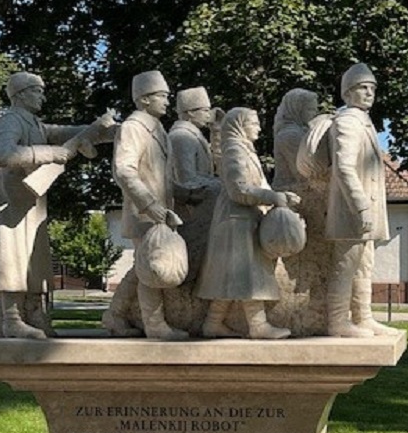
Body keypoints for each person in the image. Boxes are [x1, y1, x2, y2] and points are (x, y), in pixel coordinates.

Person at [0, 71, 112, 339]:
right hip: (12, 201)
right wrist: (52, 153)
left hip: (32, 201)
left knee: (35, 259)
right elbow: (4, 154)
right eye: (37, 90)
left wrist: (106, 130)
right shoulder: (9, 120)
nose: (42, 96)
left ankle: (34, 313)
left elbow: (70, 132)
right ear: (20, 94)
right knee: (12, 258)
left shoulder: (37, 125)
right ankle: (11, 318)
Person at [195, 108, 299, 339]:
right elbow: (238, 189)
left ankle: (213, 323)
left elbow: (259, 183)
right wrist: (272, 197)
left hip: (244, 218)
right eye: (253, 123)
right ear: (240, 125)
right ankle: (258, 326)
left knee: (231, 277)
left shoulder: (243, 150)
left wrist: (281, 197)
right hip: (236, 220)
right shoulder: (234, 150)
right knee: (247, 276)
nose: (259, 128)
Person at [110, 70, 188, 340]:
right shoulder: (132, 127)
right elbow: (124, 170)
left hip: (159, 212)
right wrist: (149, 204)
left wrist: (188, 191)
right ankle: (155, 326)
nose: (167, 101)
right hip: (144, 213)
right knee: (151, 269)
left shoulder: (156, 128)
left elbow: (162, 176)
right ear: (144, 99)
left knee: (140, 268)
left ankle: (115, 315)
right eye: (162, 96)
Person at [325, 63, 399, 337]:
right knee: (345, 266)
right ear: (347, 93)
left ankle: (363, 316)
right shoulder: (346, 121)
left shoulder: (364, 121)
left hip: (366, 211)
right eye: (362, 88)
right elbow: (344, 167)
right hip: (351, 210)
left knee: (364, 264)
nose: (369, 93)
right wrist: (361, 206)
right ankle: (337, 322)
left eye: (372, 88)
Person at [167, 86, 222, 220]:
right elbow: (186, 180)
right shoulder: (181, 136)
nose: (209, 115)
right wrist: (220, 184)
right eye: (205, 111)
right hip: (189, 210)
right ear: (190, 113)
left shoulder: (195, 135)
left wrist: (217, 131)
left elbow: (217, 164)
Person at [272, 88, 318, 192]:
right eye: (310, 109)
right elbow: (303, 174)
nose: (315, 113)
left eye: (315, 109)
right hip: (293, 191)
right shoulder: (290, 135)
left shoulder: (300, 131)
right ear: (297, 110)